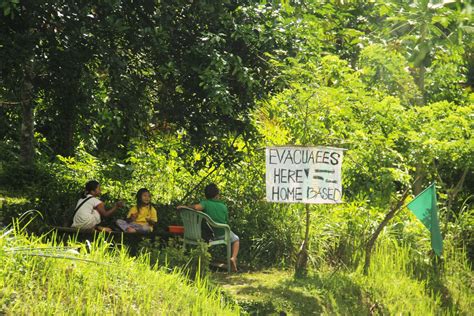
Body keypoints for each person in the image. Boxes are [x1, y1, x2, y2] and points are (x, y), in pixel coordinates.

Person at [178, 183, 240, 272]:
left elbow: (196, 207)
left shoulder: (205, 203)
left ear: (206, 195)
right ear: (217, 195)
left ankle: (185, 264)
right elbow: (226, 221)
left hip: (206, 235)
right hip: (221, 233)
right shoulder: (223, 206)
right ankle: (233, 257)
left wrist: (185, 207)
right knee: (236, 239)